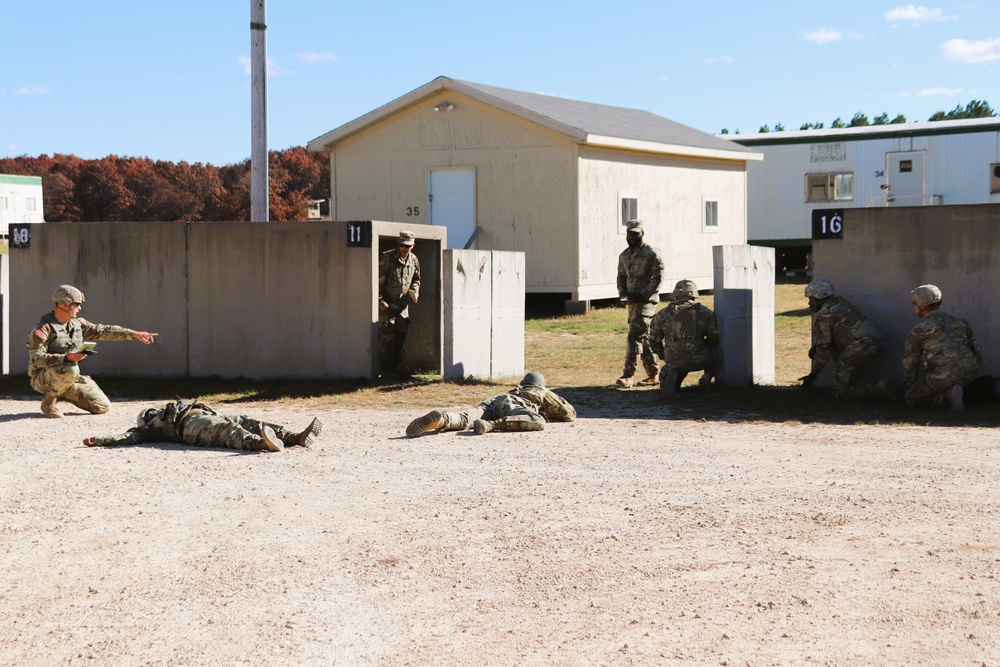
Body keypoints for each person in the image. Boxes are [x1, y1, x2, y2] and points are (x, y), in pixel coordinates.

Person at [28, 284, 159, 418]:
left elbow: (103, 330)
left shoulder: (78, 324)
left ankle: (63, 393)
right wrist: (66, 358)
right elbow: (36, 359)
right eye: (77, 304)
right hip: (42, 378)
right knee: (70, 369)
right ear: (66, 304)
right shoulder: (43, 328)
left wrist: (134, 334)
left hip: (67, 376)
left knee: (102, 407)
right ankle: (49, 402)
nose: (79, 308)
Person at [83, 400, 324, 452]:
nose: (153, 412)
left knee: (246, 420)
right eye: (149, 414)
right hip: (190, 427)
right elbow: (126, 437)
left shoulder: (174, 406)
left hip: (204, 414)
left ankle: (294, 437)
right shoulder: (148, 429)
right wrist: (101, 439)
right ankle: (262, 443)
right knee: (226, 431)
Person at [799, 279, 893, 400]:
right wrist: (816, 348)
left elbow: (824, 347)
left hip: (859, 347)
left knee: (840, 393)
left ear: (818, 298)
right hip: (871, 343)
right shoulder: (841, 304)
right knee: (846, 382)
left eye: (810, 299)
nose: (809, 303)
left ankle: (879, 389)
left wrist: (813, 374)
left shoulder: (825, 315)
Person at [406, 372, 576, 436]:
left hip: (494, 401)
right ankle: (491, 426)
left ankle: (444, 419)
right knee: (537, 420)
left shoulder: (516, 389)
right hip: (512, 406)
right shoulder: (540, 391)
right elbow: (568, 414)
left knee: (467, 418)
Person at [903, 284, 982, 410]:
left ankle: (946, 396)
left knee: (912, 399)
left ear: (922, 306)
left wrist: (910, 386)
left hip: (942, 376)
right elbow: (977, 349)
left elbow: (910, 363)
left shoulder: (920, 330)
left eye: (914, 303)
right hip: (969, 373)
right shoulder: (959, 322)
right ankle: (955, 391)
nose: (913, 307)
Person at [648, 279, 720, 396]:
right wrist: (703, 347)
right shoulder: (705, 313)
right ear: (694, 295)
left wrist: (663, 355)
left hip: (673, 359)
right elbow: (715, 337)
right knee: (717, 354)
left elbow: (653, 340)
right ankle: (707, 376)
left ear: (675, 295)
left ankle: (672, 376)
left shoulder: (663, 314)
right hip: (700, 358)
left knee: (675, 365)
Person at [615, 220, 664, 388]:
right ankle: (654, 374)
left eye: (635, 234)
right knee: (643, 338)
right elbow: (621, 276)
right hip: (632, 303)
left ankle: (628, 375)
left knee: (634, 335)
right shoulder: (624, 255)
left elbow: (657, 279)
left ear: (642, 233)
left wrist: (642, 295)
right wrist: (622, 293)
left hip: (646, 302)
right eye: (629, 233)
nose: (632, 237)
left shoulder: (652, 253)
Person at [378, 231, 421, 376]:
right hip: (387, 305)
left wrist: (414, 292)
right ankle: (384, 371)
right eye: (402, 245)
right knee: (386, 338)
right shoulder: (388, 257)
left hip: (402, 306)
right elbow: (377, 281)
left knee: (401, 337)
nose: (404, 248)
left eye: (407, 246)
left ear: (413, 246)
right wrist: (380, 300)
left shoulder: (414, 260)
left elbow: (416, 279)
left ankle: (395, 369)